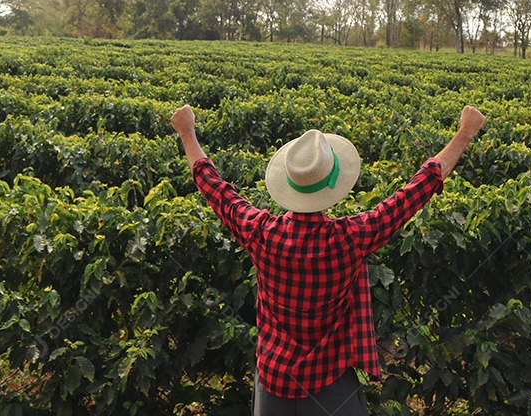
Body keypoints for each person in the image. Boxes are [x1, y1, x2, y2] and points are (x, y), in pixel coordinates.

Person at [170, 104, 486, 415]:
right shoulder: (351, 238)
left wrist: (187, 132)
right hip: (329, 385)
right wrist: (465, 133)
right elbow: (417, 189)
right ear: (334, 185)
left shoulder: (260, 232)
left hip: (273, 381)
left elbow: (213, 186)